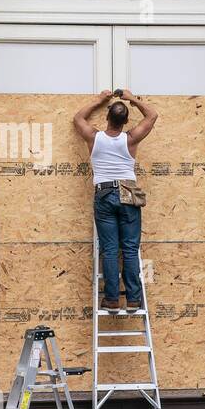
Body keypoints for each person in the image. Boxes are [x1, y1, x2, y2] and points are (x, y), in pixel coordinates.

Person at [73, 89, 158, 313]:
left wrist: (100, 100)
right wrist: (131, 98)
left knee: (110, 249)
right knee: (130, 248)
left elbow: (78, 118)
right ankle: (132, 300)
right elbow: (152, 116)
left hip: (103, 192)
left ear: (107, 117)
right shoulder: (130, 139)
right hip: (128, 191)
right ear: (126, 121)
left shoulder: (94, 137)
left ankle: (111, 300)